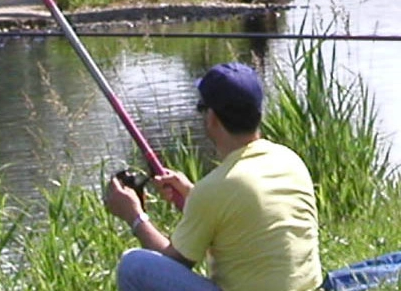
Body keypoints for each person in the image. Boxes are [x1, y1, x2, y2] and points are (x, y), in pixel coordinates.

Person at [104, 62, 323, 291]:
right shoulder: (290, 160)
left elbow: (172, 263)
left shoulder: (216, 188)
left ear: (212, 118)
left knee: (134, 265)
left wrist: (135, 217)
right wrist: (192, 193)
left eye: (201, 107)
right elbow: (239, 221)